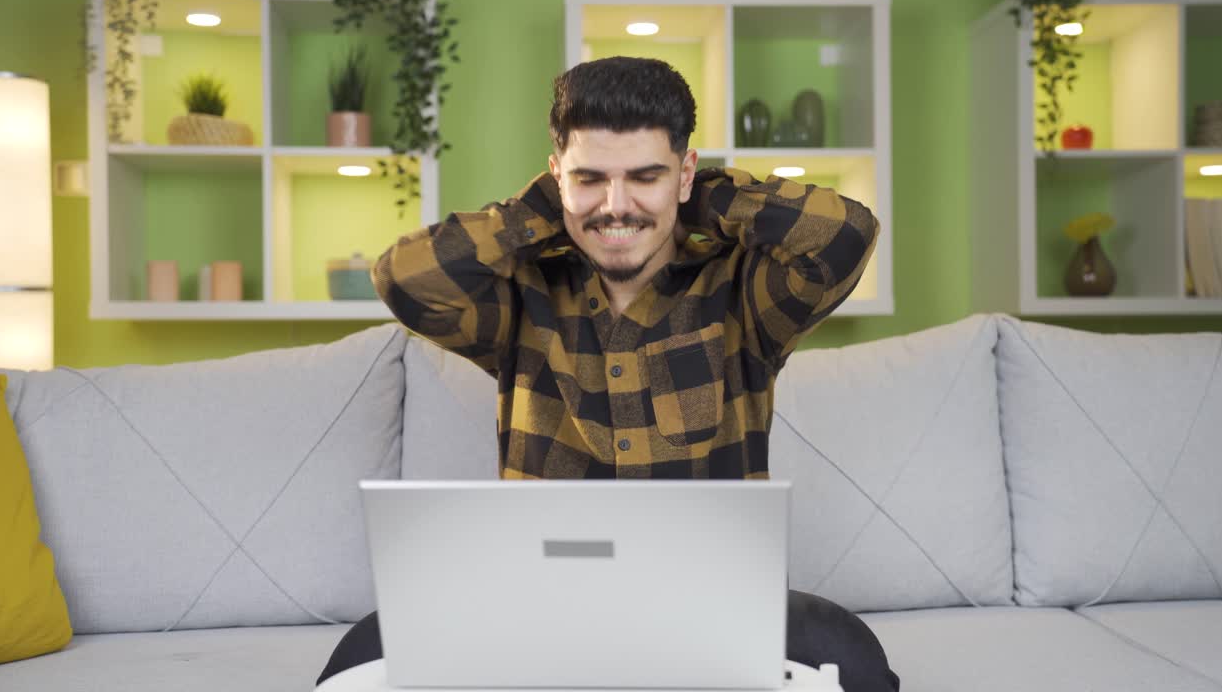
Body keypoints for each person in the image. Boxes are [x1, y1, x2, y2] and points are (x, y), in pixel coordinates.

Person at [317, 56, 897, 691]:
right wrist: (539, 212)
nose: (616, 208)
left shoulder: (744, 291)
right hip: (537, 607)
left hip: (718, 606)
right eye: (590, 179)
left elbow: (845, 234)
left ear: (684, 173)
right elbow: (404, 278)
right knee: (362, 654)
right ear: (556, 177)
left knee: (852, 653)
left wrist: (701, 198)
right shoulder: (520, 294)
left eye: (645, 177)